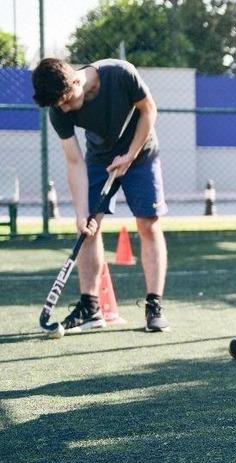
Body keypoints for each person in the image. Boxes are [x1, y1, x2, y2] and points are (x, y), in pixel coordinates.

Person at [32, 58, 169, 333]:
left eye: (67, 100)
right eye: (59, 105)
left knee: (148, 223)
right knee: (89, 229)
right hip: (99, 159)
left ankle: (154, 305)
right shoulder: (59, 110)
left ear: (75, 80)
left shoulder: (120, 74)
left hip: (140, 154)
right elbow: (74, 161)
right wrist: (81, 212)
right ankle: (90, 307)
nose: (65, 107)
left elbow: (148, 110)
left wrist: (130, 155)